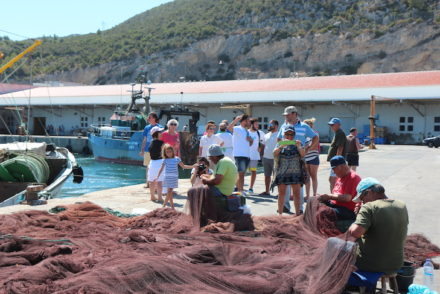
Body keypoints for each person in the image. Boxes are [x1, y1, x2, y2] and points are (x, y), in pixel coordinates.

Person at [348, 178, 408, 275]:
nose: (363, 202)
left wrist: (358, 216)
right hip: (396, 263)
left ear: (369, 192)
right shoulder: (401, 205)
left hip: (372, 264)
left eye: (362, 198)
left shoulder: (369, 207)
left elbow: (355, 233)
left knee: (333, 243)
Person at [278, 106, 318, 213]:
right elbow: (278, 138)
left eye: (288, 115)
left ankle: (299, 209)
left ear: (295, 114)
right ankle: (285, 206)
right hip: (285, 159)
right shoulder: (283, 126)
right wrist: (280, 146)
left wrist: (309, 148)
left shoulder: (304, 126)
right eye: (285, 115)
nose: (286, 117)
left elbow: (315, 137)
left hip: (298, 159)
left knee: (298, 185)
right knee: (284, 185)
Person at [272, 126, 306, 216]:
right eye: (287, 134)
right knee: (281, 194)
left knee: (297, 194)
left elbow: (303, 155)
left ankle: (298, 214)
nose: (289, 136)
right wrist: (281, 146)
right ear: (284, 134)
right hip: (282, 172)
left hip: (296, 172)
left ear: (294, 134)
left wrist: (299, 146)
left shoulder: (298, 143)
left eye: (291, 134)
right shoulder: (280, 143)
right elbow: (274, 153)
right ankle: (280, 214)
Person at [318, 156, 361, 221]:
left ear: (341, 167)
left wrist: (329, 196)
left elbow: (347, 198)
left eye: (334, 169)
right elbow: (335, 193)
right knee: (315, 202)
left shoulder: (353, 177)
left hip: (347, 210)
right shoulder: (340, 175)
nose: (333, 172)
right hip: (336, 205)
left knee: (322, 212)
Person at [156, 144, 196, 209]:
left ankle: (169, 206)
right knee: (169, 192)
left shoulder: (177, 159)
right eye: (167, 152)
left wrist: (192, 166)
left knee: (169, 192)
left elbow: (183, 166)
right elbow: (161, 168)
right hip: (167, 177)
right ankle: (168, 206)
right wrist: (157, 176)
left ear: (172, 151)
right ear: (165, 153)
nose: (169, 153)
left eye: (170, 151)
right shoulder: (165, 160)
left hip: (174, 177)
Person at [227, 114, 253, 193]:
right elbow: (229, 128)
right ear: (244, 121)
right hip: (239, 155)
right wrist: (236, 120)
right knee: (241, 174)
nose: (249, 122)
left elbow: (250, 144)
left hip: (246, 155)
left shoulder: (246, 130)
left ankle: (239, 190)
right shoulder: (237, 128)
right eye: (248, 120)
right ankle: (240, 191)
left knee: (241, 174)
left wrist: (251, 141)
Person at [140, 112, 162, 188]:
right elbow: (145, 139)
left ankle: (157, 183)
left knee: (157, 166)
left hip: (157, 150)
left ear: (154, 118)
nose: (148, 119)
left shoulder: (159, 127)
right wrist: (142, 150)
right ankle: (148, 183)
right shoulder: (146, 128)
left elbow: (161, 138)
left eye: (150, 117)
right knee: (148, 166)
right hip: (147, 149)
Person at [327, 118, 347, 192]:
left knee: (332, 179)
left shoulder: (340, 133)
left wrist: (337, 162)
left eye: (333, 125)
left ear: (338, 125)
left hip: (337, 162)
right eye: (330, 125)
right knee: (333, 179)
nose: (331, 126)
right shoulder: (337, 133)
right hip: (336, 161)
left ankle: (333, 197)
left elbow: (340, 147)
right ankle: (334, 195)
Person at [303, 118, 320, 200]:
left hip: (313, 157)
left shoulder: (315, 134)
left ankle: (314, 194)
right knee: (307, 176)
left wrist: (307, 149)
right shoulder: (303, 135)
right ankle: (307, 195)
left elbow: (314, 145)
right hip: (305, 158)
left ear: (310, 125)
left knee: (313, 176)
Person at [260, 119, 279, 195]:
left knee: (277, 176)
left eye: (271, 125)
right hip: (266, 158)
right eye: (269, 125)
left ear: (276, 126)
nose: (269, 126)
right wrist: (261, 155)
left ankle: (279, 193)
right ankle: (267, 191)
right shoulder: (266, 135)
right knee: (267, 176)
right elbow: (263, 146)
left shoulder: (279, 135)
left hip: (276, 159)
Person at [147, 126, 165, 202]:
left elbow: (149, 152)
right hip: (160, 162)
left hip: (152, 163)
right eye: (160, 132)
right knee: (160, 181)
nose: (162, 133)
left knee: (151, 181)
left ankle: (152, 196)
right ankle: (160, 197)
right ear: (156, 134)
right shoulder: (162, 143)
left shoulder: (151, 143)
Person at [248, 118, 265, 194]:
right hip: (245, 156)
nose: (258, 125)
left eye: (258, 124)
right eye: (256, 124)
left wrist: (260, 148)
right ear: (251, 124)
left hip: (254, 156)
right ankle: (239, 187)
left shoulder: (260, 133)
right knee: (241, 172)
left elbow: (263, 142)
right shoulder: (246, 132)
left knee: (253, 171)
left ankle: (251, 188)